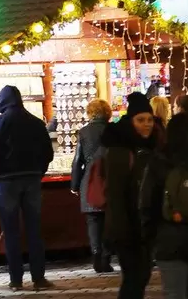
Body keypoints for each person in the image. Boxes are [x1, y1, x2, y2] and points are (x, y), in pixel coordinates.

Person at [140, 112, 188, 299]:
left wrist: (149, 236)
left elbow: (147, 201)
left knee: (174, 294)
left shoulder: (159, 160)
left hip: (169, 239)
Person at [0, 86, 54, 292]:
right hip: (32, 179)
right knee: (34, 230)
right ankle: (39, 278)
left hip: (6, 182)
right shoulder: (36, 122)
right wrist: (38, 172)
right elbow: (47, 152)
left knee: (11, 231)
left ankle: (16, 279)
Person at [102, 91, 159, 299]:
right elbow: (115, 195)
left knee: (141, 276)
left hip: (142, 224)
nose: (147, 124)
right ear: (130, 121)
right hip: (127, 228)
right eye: (141, 120)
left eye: (150, 120)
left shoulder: (148, 147)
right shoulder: (120, 151)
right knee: (135, 277)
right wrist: (122, 232)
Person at [71, 99, 113, 274]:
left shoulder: (84, 132)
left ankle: (96, 255)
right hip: (110, 178)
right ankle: (106, 258)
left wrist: (75, 184)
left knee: (93, 221)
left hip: (89, 180)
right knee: (110, 222)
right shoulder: (113, 131)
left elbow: (77, 161)